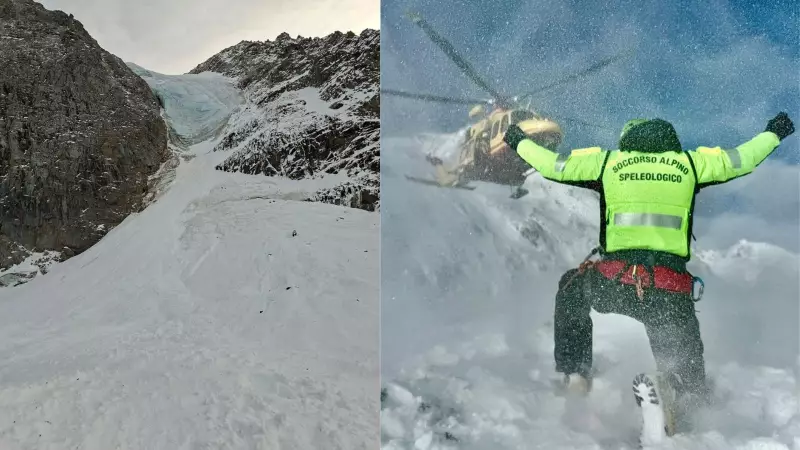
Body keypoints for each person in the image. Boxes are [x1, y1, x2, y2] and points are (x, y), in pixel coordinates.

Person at [502, 112, 795, 428]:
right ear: (669, 140)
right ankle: (682, 405)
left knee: (572, 287)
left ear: (629, 140)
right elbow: (743, 158)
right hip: (671, 292)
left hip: (617, 282)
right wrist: (773, 133)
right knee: (686, 365)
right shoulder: (691, 164)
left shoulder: (608, 163)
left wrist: (519, 141)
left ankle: (576, 374)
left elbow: (550, 164)